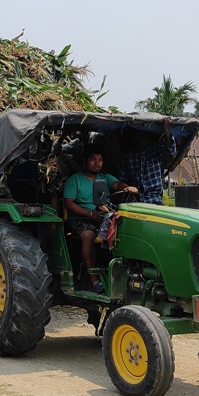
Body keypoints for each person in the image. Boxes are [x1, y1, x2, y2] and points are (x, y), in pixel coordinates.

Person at [63, 146, 136, 292]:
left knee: (125, 232)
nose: (97, 163)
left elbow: (117, 184)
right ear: (85, 161)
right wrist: (90, 214)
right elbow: (68, 203)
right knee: (88, 235)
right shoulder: (75, 180)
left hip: (102, 217)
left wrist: (127, 187)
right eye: (93, 160)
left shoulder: (105, 178)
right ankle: (93, 278)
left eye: (100, 160)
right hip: (80, 219)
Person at [119, 118, 176, 205]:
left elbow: (171, 153)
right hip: (134, 201)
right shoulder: (128, 157)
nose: (142, 138)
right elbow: (123, 181)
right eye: (139, 134)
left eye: (144, 135)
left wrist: (167, 132)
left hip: (154, 200)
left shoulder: (156, 151)